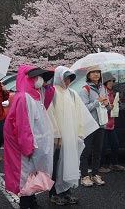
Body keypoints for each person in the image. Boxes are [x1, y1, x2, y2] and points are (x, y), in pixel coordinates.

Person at [4, 65, 55, 209]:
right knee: (25, 175)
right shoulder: (24, 97)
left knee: (31, 173)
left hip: (33, 142)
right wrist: (27, 147)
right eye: (37, 77)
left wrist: (48, 87)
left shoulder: (35, 95)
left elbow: (46, 102)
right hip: (26, 145)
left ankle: (30, 201)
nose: (40, 80)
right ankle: (26, 204)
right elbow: (22, 125)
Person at [48, 66, 98, 205]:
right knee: (56, 166)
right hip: (58, 139)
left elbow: (80, 115)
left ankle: (66, 192)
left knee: (69, 164)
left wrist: (80, 133)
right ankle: (54, 194)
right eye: (66, 78)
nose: (68, 81)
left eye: (70, 78)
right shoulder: (53, 93)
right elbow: (49, 114)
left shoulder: (72, 94)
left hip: (71, 136)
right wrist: (56, 134)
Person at [79, 66, 110, 187]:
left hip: (101, 124)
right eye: (93, 73)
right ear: (88, 75)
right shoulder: (85, 89)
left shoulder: (103, 88)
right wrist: (98, 101)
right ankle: (84, 176)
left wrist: (107, 104)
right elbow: (84, 108)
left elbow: (106, 107)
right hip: (89, 124)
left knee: (98, 150)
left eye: (98, 72)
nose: (96, 74)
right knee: (86, 151)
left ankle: (95, 174)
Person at [99, 72, 125, 173]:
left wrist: (118, 104)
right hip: (104, 124)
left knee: (115, 144)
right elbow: (101, 107)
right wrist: (109, 107)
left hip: (111, 124)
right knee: (103, 146)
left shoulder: (112, 93)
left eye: (113, 81)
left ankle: (114, 164)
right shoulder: (102, 93)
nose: (112, 83)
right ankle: (101, 165)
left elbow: (114, 105)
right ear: (105, 82)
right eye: (110, 81)